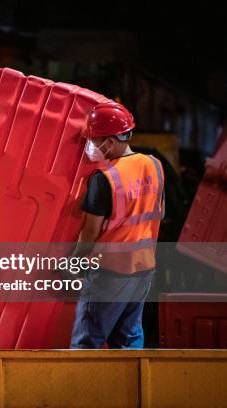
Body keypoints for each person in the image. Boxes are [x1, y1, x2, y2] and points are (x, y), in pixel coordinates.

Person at [69, 102, 164, 349]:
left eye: (93, 139)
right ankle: (134, 387)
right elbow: (157, 212)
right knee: (128, 339)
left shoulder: (105, 179)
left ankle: (80, 388)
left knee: (87, 341)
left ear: (110, 142)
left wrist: (73, 263)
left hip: (110, 272)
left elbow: (90, 233)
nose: (90, 145)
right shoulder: (154, 166)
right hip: (144, 268)